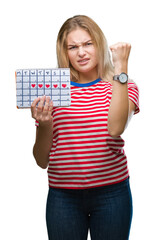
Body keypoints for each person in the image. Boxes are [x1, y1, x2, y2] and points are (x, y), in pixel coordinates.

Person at [31, 15, 139, 240]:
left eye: (88, 44)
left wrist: (121, 66)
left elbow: (116, 127)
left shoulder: (122, 85)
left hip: (112, 194)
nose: (81, 52)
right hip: (63, 197)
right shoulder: (53, 91)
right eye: (73, 47)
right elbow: (41, 160)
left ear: (99, 44)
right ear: (65, 52)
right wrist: (45, 123)